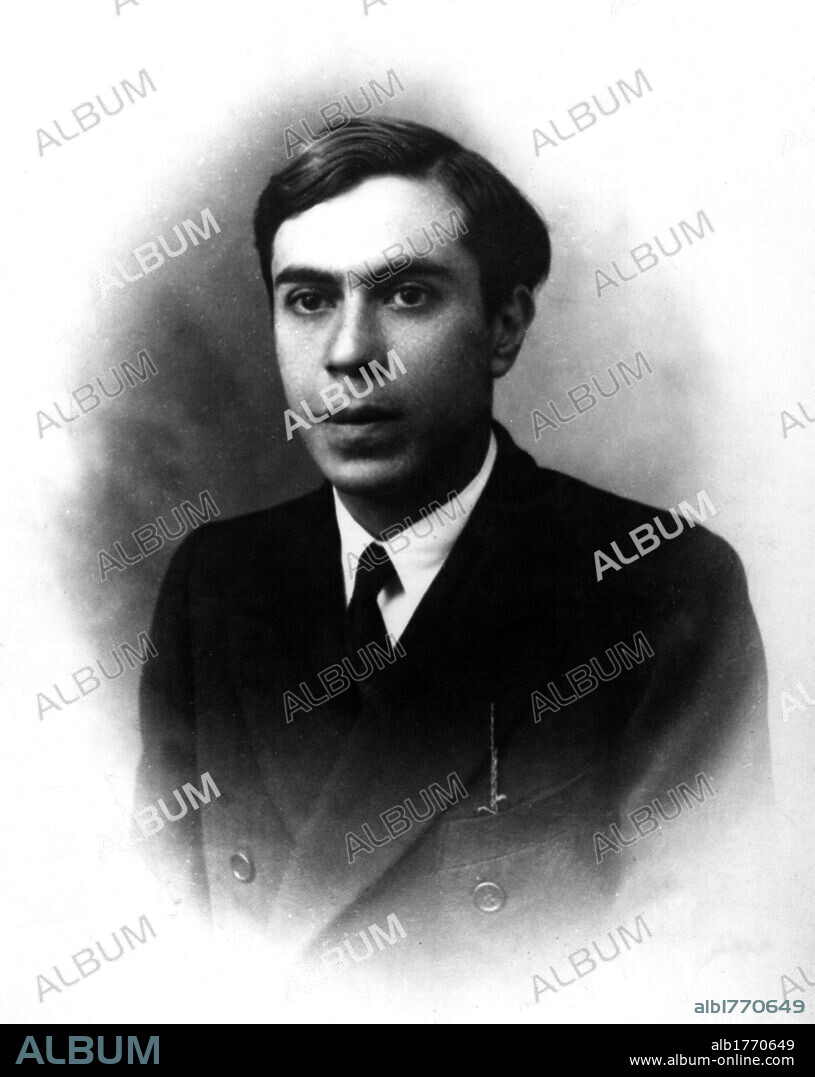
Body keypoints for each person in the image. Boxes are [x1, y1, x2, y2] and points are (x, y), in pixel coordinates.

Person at [136, 117, 770, 1003]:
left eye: (405, 295)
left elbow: (702, 976)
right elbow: (158, 946)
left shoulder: (657, 588)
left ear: (503, 326)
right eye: (309, 299)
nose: (348, 353)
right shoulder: (216, 581)